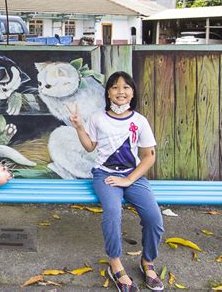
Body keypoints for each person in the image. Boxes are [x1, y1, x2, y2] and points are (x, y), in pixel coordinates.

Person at [67, 71, 164, 291]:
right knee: (112, 213)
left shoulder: (140, 121)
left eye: (126, 87)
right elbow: (90, 147)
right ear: (108, 93)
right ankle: (116, 264)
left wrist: (128, 179)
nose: (121, 91)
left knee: (154, 218)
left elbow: (149, 156)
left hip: (132, 175)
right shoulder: (98, 117)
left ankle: (147, 262)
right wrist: (79, 127)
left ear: (132, 93)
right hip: (104, 175)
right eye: (115, 87)